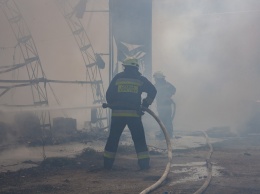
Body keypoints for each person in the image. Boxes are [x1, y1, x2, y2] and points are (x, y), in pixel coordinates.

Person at [103, 57, 157, 170]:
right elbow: (153, 91)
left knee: (113, 139)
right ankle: (144, 165)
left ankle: (107, 165)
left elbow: (109, 94)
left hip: (118, 115)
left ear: (125, 67)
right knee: (139, 139)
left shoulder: (118, 78)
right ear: (137, 67)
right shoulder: (140, 79)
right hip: (134, 115)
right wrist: (145, 105)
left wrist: (113, 104)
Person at [153, 71, 176, 139]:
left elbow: (174, 89)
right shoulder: (165, 84)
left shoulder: (158, 85)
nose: (155, 79)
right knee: (163, 120)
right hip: (162, 106)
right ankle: (165, 134)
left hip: (165, 106)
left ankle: (168, 134)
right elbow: (173, 89)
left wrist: (169, 94)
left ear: (158, 78)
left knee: (166, 120)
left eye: (155, 78)